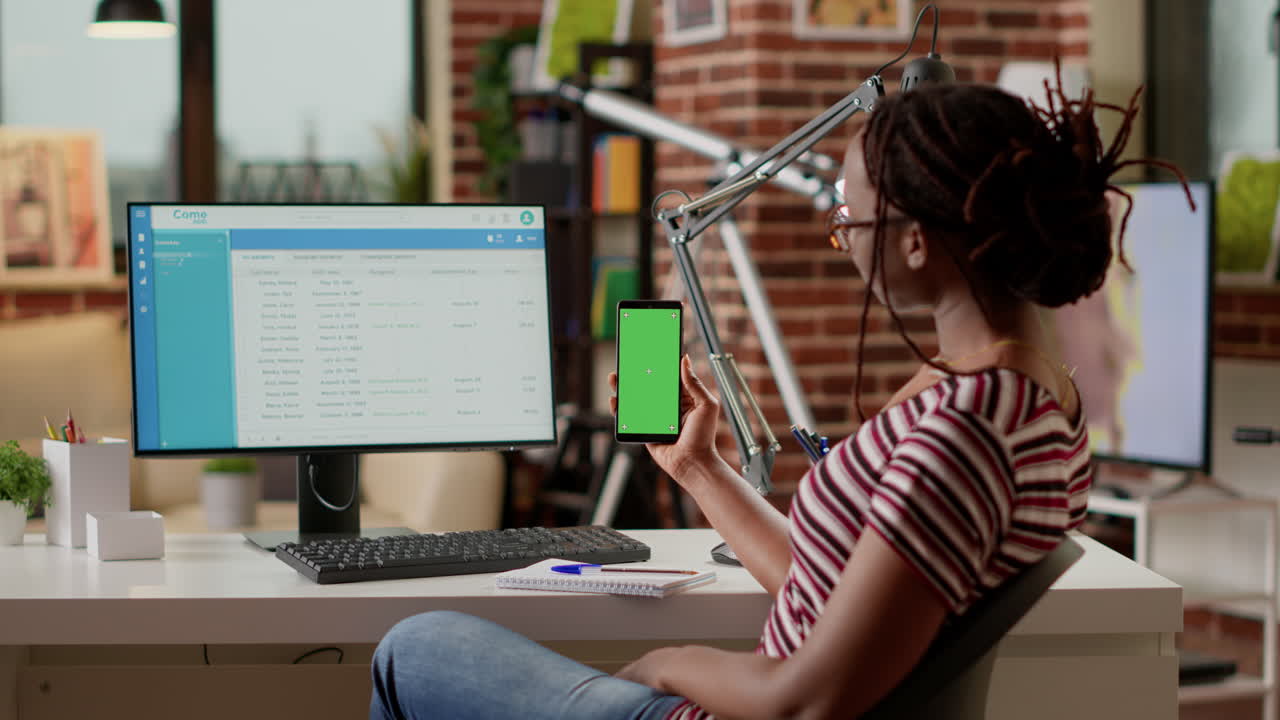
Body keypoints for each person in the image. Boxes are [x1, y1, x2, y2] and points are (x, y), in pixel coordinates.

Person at [370, 76, 1188, 720]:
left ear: (913, 240)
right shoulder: (1032, 396)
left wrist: (670, 663)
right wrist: (699, 470)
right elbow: (834, 586)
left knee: (413, 646)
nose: (842, 242)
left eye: (849, 223)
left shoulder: (965, 428)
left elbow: (807, 700)